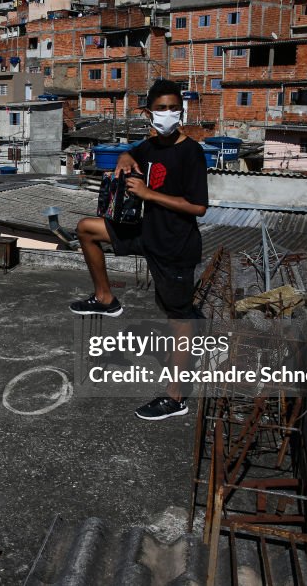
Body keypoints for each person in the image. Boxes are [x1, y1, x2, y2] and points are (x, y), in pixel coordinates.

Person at [70, 79, 208, 420]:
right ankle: (105, 298)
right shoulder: (151, 144)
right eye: (160, 108)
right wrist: (124, 156)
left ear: (181, 110)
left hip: (174, 246)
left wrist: (149, 195)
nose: (168, 114)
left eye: (173, 107)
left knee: (180, 321)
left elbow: (198, 208)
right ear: (148, 112)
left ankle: (175, 397)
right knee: (86, 228)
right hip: (145, 233)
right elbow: (133, 152)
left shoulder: (191, 151)